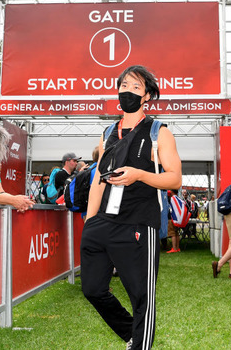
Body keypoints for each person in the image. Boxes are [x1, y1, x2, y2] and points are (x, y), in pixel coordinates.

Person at [81, 65, 182, 350]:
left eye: (136, 87)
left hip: (138, 223)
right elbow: (99, 180)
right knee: (92, 289)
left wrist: (140, 175)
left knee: (141, 297)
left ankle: (140, 345)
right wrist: (90, 221)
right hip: (101, 223)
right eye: (124, 85)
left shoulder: (158, 132)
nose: (127, 91)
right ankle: (132, 335)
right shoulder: (108, 131)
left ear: (147, 96)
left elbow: (174, 178)